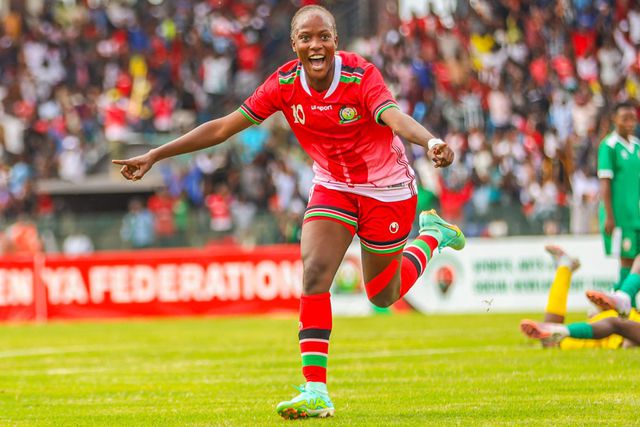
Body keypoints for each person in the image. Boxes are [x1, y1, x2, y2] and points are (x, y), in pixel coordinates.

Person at [113, 5, 465, 420]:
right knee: (314, 274)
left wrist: (431, 142)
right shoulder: (282, 84)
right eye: (306, 38)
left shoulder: (360, 75)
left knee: (382, 295)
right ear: (294, 44)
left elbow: (394, 117)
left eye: (324, 37)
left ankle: (433, 235)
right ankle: (316, 391)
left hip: (385, 190)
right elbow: (223, 127)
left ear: (335, 41)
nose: (316, 45)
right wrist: (156, 154)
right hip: (333, 186)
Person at [520, 246, 640, 348]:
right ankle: (622, 297)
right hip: (622, 320)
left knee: (549, 339)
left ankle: (565, 267)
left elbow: (623, 337)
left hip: (609, 329)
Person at [597, 102, 640, 306]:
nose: (630, 123)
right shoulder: (609, 146)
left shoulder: (637, 146)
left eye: (633, 118)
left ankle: (614, 302)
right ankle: (625, 305)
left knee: (634, 262)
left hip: (636, 214)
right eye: (625, 118)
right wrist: (609, 215)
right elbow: (605, 182)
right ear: (615, 119)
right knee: (627, 260)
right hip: (620, 215)